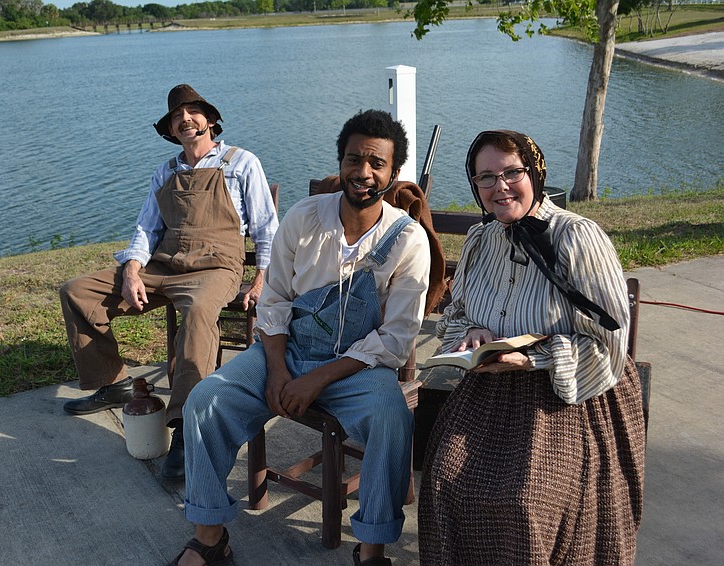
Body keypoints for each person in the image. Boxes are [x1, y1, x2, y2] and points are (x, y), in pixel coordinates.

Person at [171, 110, 431, 566]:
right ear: (341, 161)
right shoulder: (304, 216)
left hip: (358, 367)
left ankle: (371, 549)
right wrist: (276, 369)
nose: (363, 172)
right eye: (354, 159)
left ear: (393, 172)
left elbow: (396, 336)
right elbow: (274, 303)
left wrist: (317, 381)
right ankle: (210, 538)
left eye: (377, 163)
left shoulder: (408, 239)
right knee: (204, 401)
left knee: (393, 419)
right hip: (287, 350)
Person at [418, 130, 646, 565]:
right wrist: (473, 334)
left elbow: (611, 339)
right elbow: (457, 312)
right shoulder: (480, 240)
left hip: (570, 396)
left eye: (511, 173)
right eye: (486, 177)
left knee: (527, 501)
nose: (500, 186)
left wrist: (534, 359)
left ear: (535, 173)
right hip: (489, 391)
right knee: (444, 479)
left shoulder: (577, 236)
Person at [59, 84, 279, 480]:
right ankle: (113, 383)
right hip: (163, 266)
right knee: (77, 292)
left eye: (193, 112)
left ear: (210, 120)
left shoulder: (241, 162)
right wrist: (130, 269)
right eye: (178, 116)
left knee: (197, 314)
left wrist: (262, 278)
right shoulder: (166, 170)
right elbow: (146, 228)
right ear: (171, 129)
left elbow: (267, 228)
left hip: (215, 268)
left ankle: (186, 429)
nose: (185, 119)